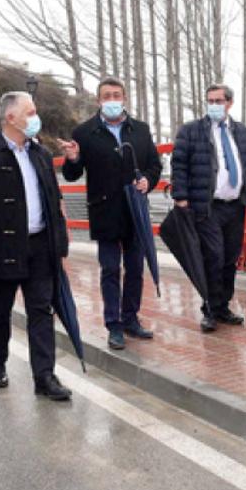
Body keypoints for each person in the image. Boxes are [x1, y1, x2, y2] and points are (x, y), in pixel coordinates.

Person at [0, 91, 72, 401]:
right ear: (11, 117)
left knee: (41, 310)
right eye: (30, 112)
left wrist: (59, 247)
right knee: (0, 310)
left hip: (40, 247)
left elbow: (54, 202)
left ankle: (44, 376)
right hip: (2, 249)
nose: (36, 118)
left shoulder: (40, 154)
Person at [60, 77, 162, 350]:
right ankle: (113, 324)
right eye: (107, 96)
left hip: (135, 209)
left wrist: (148, 182)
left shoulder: (140, 130)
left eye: (117, 95)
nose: (112, 100)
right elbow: (72, 175)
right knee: (109, 269)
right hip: (104, 208)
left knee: (136, 268)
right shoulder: (85, 132)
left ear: (124, 98)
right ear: (99, 100)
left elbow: (154, 164)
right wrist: (72, 159)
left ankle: (130, 318)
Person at [169, 84, 246, 331]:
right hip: (207, 206)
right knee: (214, 256)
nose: (214, 105)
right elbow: (178, 164)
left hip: (236, 205)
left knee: (231, 258)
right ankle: (209, 308)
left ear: (229, 103)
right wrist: (180, 196)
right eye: (210, 100)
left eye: (219, 100)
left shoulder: (242, 132)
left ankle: (223, 307)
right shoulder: (191, 131)